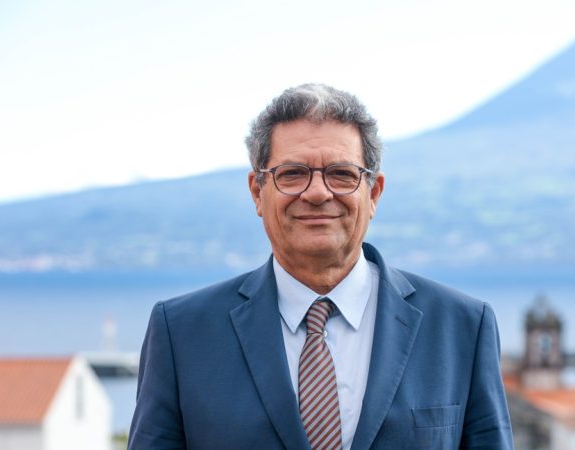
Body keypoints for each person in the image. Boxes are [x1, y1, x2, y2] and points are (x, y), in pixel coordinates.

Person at [128, 83, 513, 450]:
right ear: (257, 192)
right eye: (292, 173)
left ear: (374, 193)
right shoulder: (181, 333)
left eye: (341, 174)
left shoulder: (462, 327)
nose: (316, 192)